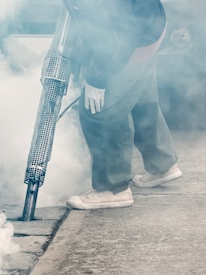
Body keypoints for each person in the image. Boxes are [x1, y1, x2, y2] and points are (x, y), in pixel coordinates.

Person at [64, 0, 182, 210]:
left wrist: (97, 79)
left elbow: (114, 39)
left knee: (100, 111)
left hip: (129, 42)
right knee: (140, 99)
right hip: (149, 28)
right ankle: (161, 164)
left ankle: (113, 189)